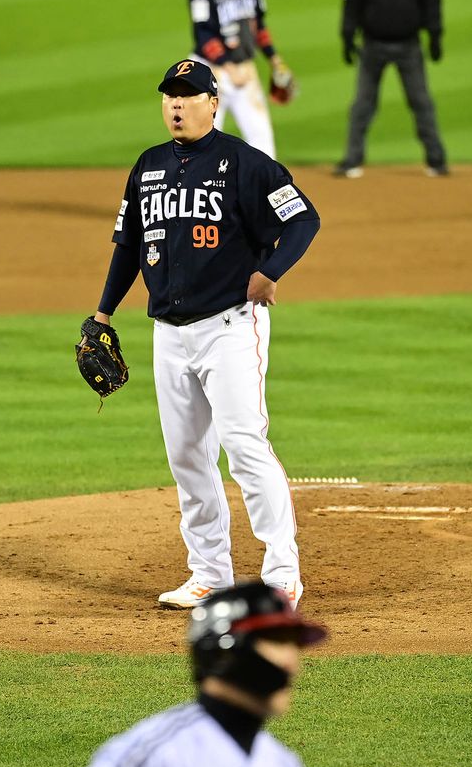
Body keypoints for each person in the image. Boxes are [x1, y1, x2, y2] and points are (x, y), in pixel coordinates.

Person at [95, 58, 320, 610]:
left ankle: (282, 575)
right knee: (188, 457)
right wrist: (103, 314)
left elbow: (303, 219)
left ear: (213, 104)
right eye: (169, 95)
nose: (176, 104)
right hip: (168, 335)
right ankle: (210, 573)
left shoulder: (245, 163)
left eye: (188, 95)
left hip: (230, 327)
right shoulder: (148, 166)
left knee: (244, 446)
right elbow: (128, 247)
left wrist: (270, 272)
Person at [60, 582, 327, 767]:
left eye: (293, 645)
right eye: (276, 642)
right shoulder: (154, 758)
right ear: (223, 654)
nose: (291, 663)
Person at [334, 0, 449, 178]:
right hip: (372, 45)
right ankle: (352, 159)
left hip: (409, 45)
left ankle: (436, 159)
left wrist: (435, 35)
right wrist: (347, 36)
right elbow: (352, 1)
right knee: (362, 104)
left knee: (420, 101)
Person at [187, 0, 293, 159]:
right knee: (202, 139)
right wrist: (228, 67)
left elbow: (258, 26)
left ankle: (264, 177)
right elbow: (202, 33)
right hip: (208, 72)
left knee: (261, 136)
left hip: (244, 70)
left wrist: (275, 60)